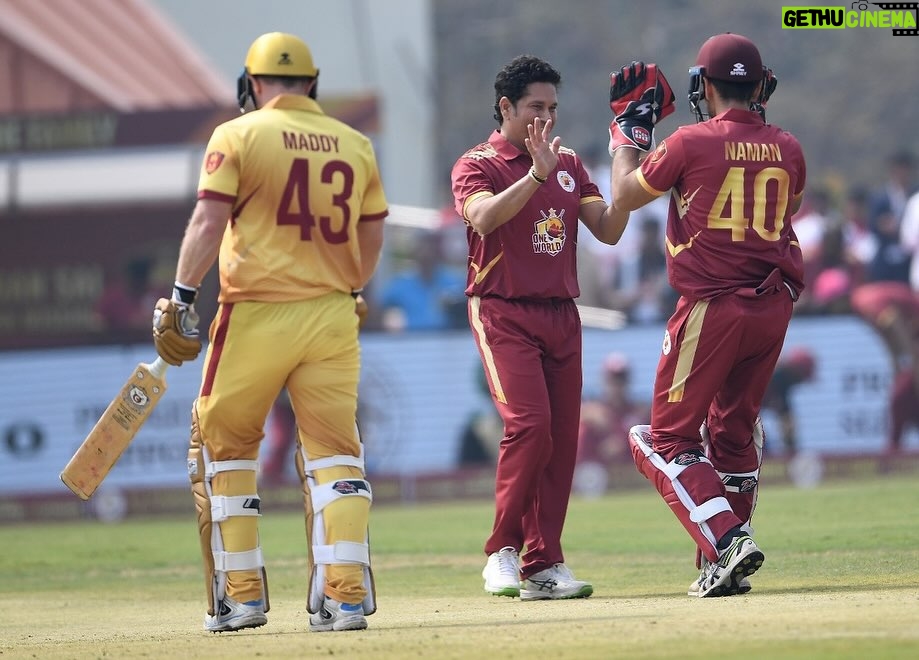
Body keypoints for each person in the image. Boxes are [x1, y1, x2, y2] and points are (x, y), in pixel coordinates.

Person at [150, 32, 387, 633]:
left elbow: (208, 221)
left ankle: (244, 596)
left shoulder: (238, 133)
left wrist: (181, 296)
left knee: (225, 450)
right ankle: (346, 597)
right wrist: (350, 287)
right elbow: (371, 236)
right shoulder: (355, 143)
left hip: (255, 310)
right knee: (337, 454)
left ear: (252, 84)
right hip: (333, 315)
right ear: (312, 83)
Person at [609, 35, 806, 597]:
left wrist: (629, 130)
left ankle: (726, 541)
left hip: (712, 308)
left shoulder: (690, 141)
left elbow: (623, 196)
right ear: (760, 84)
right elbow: (785, 210)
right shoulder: (789, 147)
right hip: (772, 306)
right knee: (735, 435)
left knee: (662, 441)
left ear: (705, 86)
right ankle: (720, 563)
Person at [451, 54, 633, 601]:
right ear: (505, 107)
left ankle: (543, 564)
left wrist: (630, 154)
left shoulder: (571, 162)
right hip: (502, 310)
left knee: (561, 442)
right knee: (529, 427)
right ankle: (500, 553)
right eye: (535, 107)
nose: (546, 120)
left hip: (561, 314)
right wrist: (535, 172)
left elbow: (609, 229)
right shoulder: (476, 163)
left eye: (553, 108)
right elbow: (483, 218)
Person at [850, 281, 919, 460]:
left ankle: (892, 454)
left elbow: (896, 325)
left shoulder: (864, 303)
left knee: (901, 397)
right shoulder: (863, 300)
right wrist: (897, 366)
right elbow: (887, 336)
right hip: (912, 328)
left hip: (912, 330)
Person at [575, 352, 651, 496]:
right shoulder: (594, 411)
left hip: (631, 473)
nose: (617, 385)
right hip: (596, 474)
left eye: (621, 380)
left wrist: (619, 437)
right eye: (613, 380)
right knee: (584, 429)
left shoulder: (637, 411)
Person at [379, 229, 466, 331]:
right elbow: (382, 314)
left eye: (431, 247)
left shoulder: (456, 282)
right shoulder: (399, 285)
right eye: (422, 248)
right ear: (413, 252)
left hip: (451, 342)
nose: (426, 253)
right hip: (410, 342)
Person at [761, 347, 817, 455]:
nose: (800, 383)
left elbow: (786, 419)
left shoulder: (782, 386)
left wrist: (791, 449)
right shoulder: (771, 378)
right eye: (801, 378)